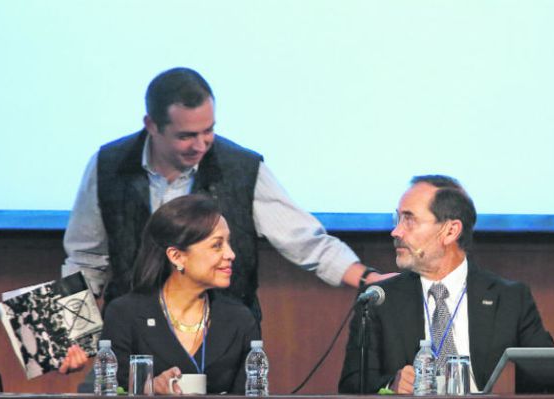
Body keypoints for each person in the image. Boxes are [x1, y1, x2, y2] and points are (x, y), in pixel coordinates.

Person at [62, 67, 393, 324]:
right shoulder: (109, 165)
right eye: (186, 135)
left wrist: (368, 278)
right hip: (133, 334)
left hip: (224, 334)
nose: (201, 145)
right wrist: (68, 337)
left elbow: (306, 242)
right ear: (151, 125)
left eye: (208, 130)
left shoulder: (242, 167)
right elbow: (86, 258)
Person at [338, 175, 554, 394]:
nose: (396, 232)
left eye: (409, 220)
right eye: (398, 220)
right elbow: (351, 385)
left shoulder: (510, 299)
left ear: (450, 231)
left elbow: (548, 377)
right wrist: (390, 385)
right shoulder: (379, 299)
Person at [100, 194, 259, 394]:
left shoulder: (239, 319)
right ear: (177, 256)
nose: (230, 254)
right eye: (217, 245)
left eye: (228, 243)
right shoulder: (126, 314)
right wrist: (150, 389)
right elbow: (111, 395)